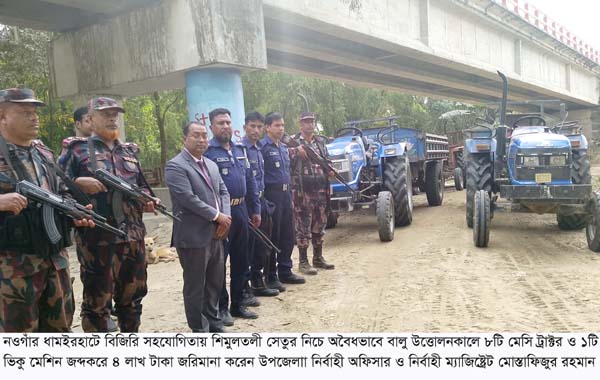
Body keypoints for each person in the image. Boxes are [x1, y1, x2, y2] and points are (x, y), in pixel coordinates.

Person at [0, 88, 94, 332]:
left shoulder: (43, 153)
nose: (34, 117)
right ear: (2, 116)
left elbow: (60, 192)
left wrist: (73, 214)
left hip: (55, 263)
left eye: (34, 112)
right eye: (24, 112)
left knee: (60, 333)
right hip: (12, 270)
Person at [60, 97, 153, 332]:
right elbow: (57, 188)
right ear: (90, 119)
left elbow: (142, 186)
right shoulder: (77, 150)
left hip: (132, 237)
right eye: (105, 114)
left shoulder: (129, 151)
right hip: (97, 240)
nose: (112, 118)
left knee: (132, 301)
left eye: (115, 114)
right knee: (97, 303)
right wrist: (79, 184)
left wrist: (149, 199)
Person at [164, 122, 231, 333]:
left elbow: (223, 192)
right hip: (193, 236)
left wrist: (225, 217)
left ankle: (213, 322)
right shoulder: (175, 166)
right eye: (196, 135)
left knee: (214, 282)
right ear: (185, 138)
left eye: (204, 136)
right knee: (195, 286)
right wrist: (217, 216)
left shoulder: (211, 164)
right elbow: (187, 199)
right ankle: (199, 329)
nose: (202, 140)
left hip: (217, 233)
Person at [205, 108, 261, 323]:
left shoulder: (239, 149)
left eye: (228, 122)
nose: (225, 126)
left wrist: (255, 209)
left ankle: (238, 304)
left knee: (241, 260)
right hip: (221, 214)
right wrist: (217, 216)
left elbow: (251, 180)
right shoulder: (209, 152)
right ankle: (221, 307)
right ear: (212, 127)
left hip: (242, 210)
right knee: (220, 263)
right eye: (220, 123)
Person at [260, 112, 305, 289]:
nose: (281, 129)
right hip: (272, 195)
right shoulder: (263, 147)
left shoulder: (282, 147)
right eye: (277, 125)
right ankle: (270, 275)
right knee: (274, 235)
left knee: (288, 234)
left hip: (286, 195)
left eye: (283, 125)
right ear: (268, 127)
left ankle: (285, 270)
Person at [290, 112, 335, 275]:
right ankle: (303, 262)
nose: (309, 125)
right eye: (306, 122)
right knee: (303, 226)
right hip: (302, 192)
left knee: (320, 223)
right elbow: (287, 161)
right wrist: (296, 151)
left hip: (321, 189)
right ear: (300, 124)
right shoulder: (294, 143)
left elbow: (326, 160)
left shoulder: (320, 142)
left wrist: (330, 170)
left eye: (312, 122)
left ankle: (318, 257)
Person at [242, 112, 279, 297]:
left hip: (262, 200)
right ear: (245, 127)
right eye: (252, 126)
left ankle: (258, 281)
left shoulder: (257, 149)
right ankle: (247, 285)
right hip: (248, 204)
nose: (255, 130)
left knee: (262, 244)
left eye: (258, 127)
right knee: (249, 246)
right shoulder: (241, 149)